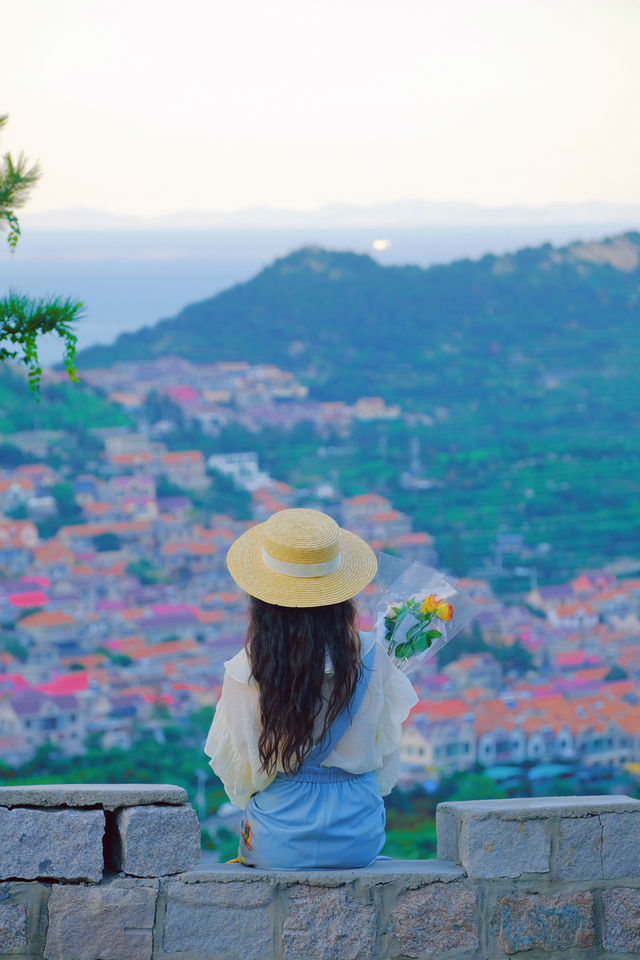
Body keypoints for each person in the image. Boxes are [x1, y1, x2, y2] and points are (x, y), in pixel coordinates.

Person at [204, 507, 418, 869]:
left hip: (278, 842)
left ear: (263, 597)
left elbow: (241, 773)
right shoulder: (373, 656)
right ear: (340, 591)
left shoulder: (247, 669)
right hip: (358, 839)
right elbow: (385, 754)